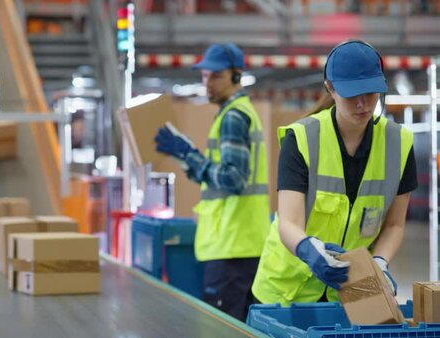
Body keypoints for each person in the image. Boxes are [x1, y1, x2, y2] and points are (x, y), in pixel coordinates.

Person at [252, 40, 417, 306]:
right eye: (352, 94)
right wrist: (309, 250)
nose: (363, 104)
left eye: (371, 93)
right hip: (284, 292)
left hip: (350, 293)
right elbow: (288, 223)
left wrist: (380, 262)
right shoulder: (303, 139)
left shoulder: (398, 145)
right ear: (330, 87)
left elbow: (395, 225)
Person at [154, 43, 270, 321]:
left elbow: (233, 178)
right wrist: (188, 157)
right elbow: (220, 176)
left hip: (232, 247)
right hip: (241, 244)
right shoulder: (236, 113)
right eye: (205, 76)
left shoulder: (232, 117)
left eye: (215, 76)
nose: (208, 84)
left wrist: (190, 156)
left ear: (236, 76)